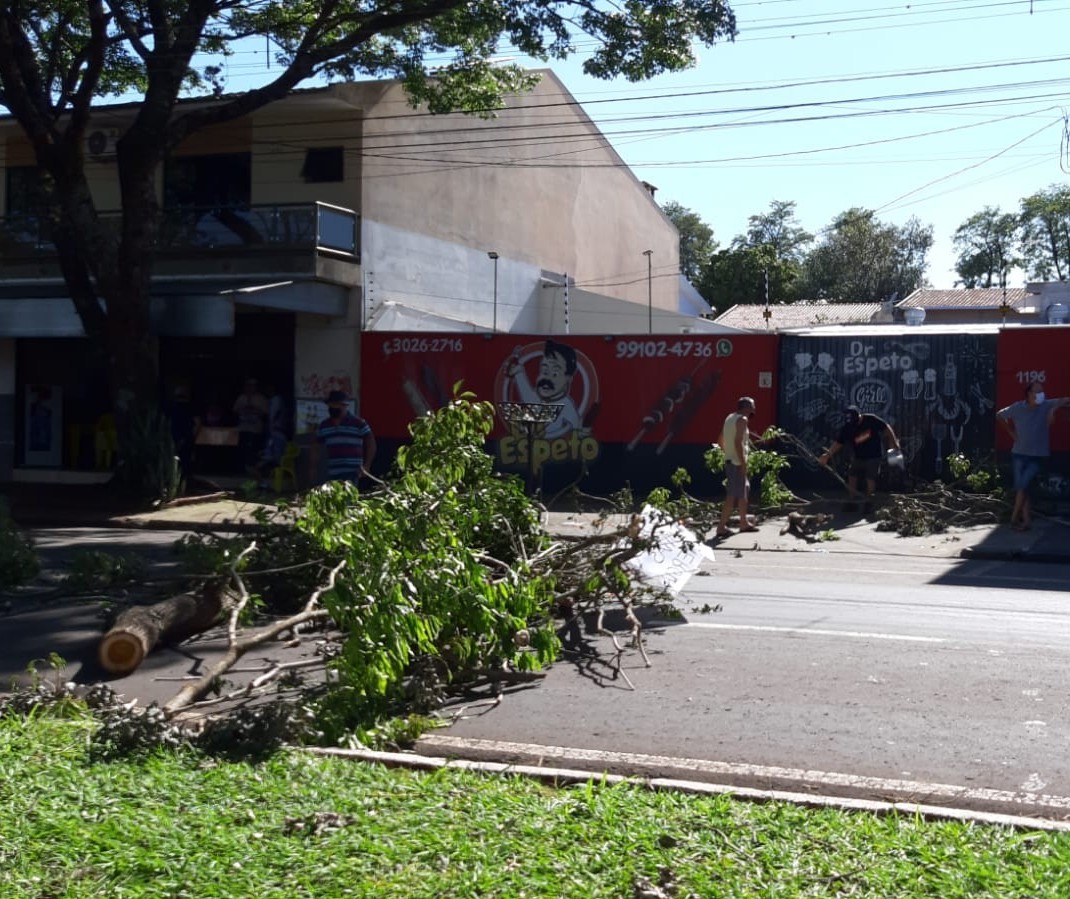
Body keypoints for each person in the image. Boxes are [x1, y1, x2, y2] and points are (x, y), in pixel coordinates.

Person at [997, 381, 1070, 531]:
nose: (1041, 395)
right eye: (1038, 392)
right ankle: (1026, 522)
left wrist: (1053, 409)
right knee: (1023, 489)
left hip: (1037, 456)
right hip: (1019, 453)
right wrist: (1010, 431)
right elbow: (999, 415)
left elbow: (1066, 399)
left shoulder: (1045, 405)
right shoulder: (1018, 408)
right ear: (1029, 394)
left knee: (1022, 486)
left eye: (1042, 391)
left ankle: (1013, 518)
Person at [819, 405, 901, 501]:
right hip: (858, 456)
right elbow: (839, 442)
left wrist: (894, 442)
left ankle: (869, 501)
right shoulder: (848, 426)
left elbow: (886, 427)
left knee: (870, 478)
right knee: (852, 474)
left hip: (874, 455)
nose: (853, 425)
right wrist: (827, 455)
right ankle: (852, 499)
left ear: (859, 416)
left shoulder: (871, 419)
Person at [310, 389, 377, 485]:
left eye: (335, 405)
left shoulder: (358, 423)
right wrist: (313, 468)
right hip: (334, 471)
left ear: (343, 405)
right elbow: (315, 445)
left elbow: (370, 442)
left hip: (353, 471)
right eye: (330, 405)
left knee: (349, 497)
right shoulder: (324, 426)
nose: (332, 407)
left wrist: (367, 465)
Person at [715, 396, 759, 539]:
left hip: (730, 460)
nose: (754, 409)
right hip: (736, 462)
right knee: (733, 495)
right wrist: (742, 462)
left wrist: (727, 453)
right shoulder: (742, 420)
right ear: (746, 407)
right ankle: (721, 527)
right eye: (752, 406)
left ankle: (743, 522)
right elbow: (738, 442)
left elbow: (720, 438)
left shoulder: (730, 417)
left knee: (743, 489)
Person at [233, 377, 269, 468]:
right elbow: (235, 410)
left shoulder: (261, 398)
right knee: (242, 448)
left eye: (252, 386)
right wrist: (244, 408)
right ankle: (241, 467)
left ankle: (252, 468)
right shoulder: (241, 397)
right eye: (248, 386)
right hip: (243, 427)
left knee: (253, 449)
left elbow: (266, 413)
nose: (250, 388)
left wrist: (255, 409)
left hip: (255, 428)